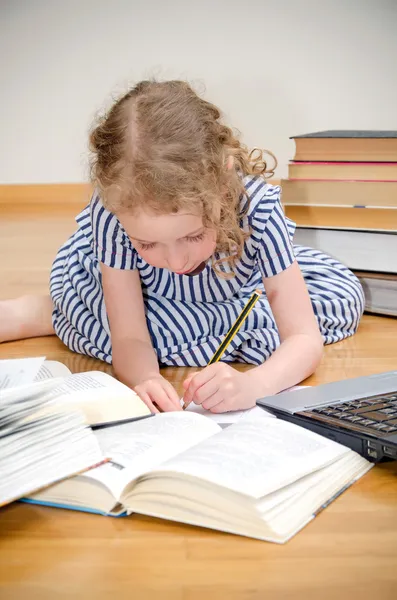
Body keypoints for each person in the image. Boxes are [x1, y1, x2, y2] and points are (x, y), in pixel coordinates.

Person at [0, 80, 364, 414]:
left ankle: (56, 312)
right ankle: (43, 311)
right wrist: (145, 378)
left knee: (340, 298)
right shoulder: (113, 214)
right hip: (134, 295)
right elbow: (128, 336)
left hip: (228, 296)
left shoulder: (257, 209)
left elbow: (303, 337)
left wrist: (255, 384)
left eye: (192, 236)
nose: (175, 261)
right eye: (146, 243)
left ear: (222, 185)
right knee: (135, 324)